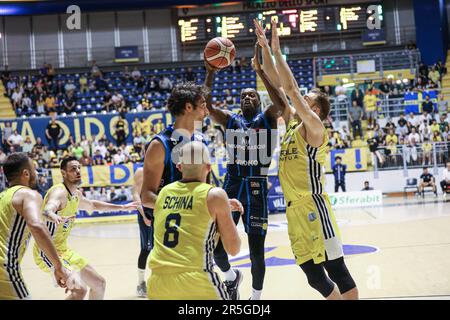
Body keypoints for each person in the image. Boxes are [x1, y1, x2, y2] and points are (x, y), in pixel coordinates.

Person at [268, 20, 358, 300]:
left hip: (314, 206)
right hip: (294, 210)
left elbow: (291, 90)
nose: (299, 101)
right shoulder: (295, 126)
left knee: (336, 268)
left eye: (306, 100)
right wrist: (263, 54)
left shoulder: (315, 127)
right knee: (311, 273)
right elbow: (280, 88)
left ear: (315, 108)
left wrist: (277, 50)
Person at [204, 23, 289, 300]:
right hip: (232, 183)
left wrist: (261, 72)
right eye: (243, 96)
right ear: (239, 102)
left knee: (256, 251)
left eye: (251, 94)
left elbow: (282, 103)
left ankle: (255, 297)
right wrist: (210, 73)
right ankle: (230, 276)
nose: (247, 98)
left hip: (256, 186)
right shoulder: (230, 119)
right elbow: (206, 107)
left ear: (258, 97)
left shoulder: (266, 117)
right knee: (216, 247)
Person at [32, 156, 138, 300]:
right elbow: (48, 209)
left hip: (63, 251)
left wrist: (122, 206)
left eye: (78, 168)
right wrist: (52, 215)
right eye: (73, 169)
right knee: (80, 289)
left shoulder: (76, 194)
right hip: (46, 251)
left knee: (99, 283)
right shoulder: (59, 192)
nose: (77, 171)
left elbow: (93, 205)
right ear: (63, 173)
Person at [147, 141, 242, 300]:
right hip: (195, 281)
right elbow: (233, 249)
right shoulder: (215, 195)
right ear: (208, 167)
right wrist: (223, 212)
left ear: (179, 167)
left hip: (157, 283)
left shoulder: (163, 193)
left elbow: (187, 212)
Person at [0, 153, 70, 299]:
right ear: (26, 173)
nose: (36, 173)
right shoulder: (28, 194)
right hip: (4, 268)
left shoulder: (3, 197)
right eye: (34, 169)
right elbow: (36, 226)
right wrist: (58, 266)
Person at [132, 167, 154, 297]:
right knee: (146, 249)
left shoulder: (165, 168)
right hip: (147, 214)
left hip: (160, 211)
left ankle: (159, 282)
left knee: (162, 249)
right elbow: (135, 194)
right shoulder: (141, 171)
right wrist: (144, 216)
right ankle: (140, 283)